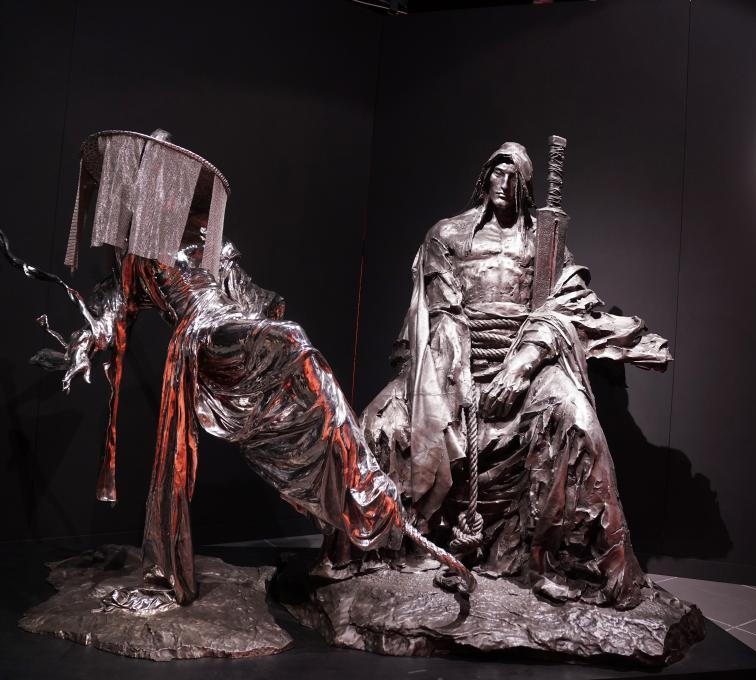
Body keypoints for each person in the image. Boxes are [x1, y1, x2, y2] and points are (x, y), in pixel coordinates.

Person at [35, 130, 471, 610]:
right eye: (152, 177)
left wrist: (266, 318)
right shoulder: (136, 260)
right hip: (199, 335)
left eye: (167, 177)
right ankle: (361, 490)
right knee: (296, 341)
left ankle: (360, 487)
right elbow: (108, 312)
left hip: (231, 326)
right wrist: (80, 346)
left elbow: (245, 295)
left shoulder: (209, 239)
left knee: (312, 377)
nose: (161, 186)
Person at [362, 142, 671, 609]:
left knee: (578, 419)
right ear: (484, 175)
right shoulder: (447, 234)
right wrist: (459, 375)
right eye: (498, 172)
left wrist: (522, 365)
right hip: (453, 361)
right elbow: (438, 311)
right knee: (379, 422)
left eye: (516, 176)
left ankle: (557, 561)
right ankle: (381, 548)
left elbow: (566, 305)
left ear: (528, 185)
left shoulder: (543, 245)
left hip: (527, 361)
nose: (504, 183)